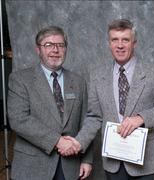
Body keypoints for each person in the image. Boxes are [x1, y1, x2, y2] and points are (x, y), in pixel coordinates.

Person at [60, 19, 154, 180]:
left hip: (144, 163)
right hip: (113, 162)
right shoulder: (97, 76)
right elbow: (94, 117)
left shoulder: (153, 73)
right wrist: (78, 143)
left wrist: (141, 119)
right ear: (109, 43)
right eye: (115, 40)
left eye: (125, 40)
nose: (120, 45)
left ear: (134, 43)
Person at [7, 26, 92, 180]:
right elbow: (19, 120)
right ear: (38, 50)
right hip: (32, 166)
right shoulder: (20, 79)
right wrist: (57, 141)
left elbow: (86, 122)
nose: (55, 50)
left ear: (65, 49)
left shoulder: (78, 82)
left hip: (70, 166)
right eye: (48, 45)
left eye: (60, 45)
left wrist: (86, 160)